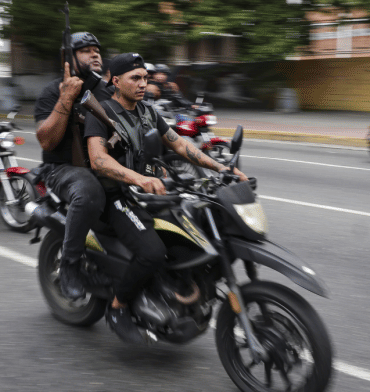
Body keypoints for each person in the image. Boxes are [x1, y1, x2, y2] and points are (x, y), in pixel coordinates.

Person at [84, 53, 248, 343]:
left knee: (196, 232)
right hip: (116, 196)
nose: (143, 83)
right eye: (135, 78)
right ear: (116, 80)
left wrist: (222, 168)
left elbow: (180, 145)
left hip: (147, 192)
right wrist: (139, 178)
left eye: (145, 78)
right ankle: (118, 308)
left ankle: (178, 289)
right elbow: (98, 160)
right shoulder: (101, 113)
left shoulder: (147, 111)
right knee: (152, 252)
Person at [33, 32, 111, 300]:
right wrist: (66, 99)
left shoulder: (108, 90)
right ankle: (70, 266)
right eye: (86, 50)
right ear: (68, 57)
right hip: (63, 169)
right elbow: (46, 141)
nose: (95, 53)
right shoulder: (52, 91)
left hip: (105, 165)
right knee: (89, 192)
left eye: (96, 49)